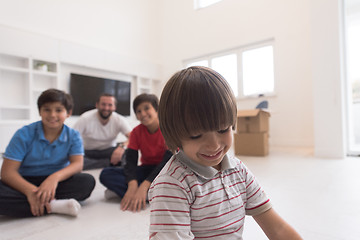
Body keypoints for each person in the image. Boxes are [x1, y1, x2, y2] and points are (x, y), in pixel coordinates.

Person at [148, 66, 302, 239]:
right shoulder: (172, 184)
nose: (214, 145)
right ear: (175, 135)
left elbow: (277, 228)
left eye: (222, 130)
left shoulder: (238, 170)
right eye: (197, 135)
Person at [0, 88, 95, 218]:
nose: (52, 115)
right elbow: (7, 173)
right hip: (25, 181)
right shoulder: (23, 134)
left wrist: (53, 179)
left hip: (57, 181)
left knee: (87, 182)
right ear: (40, 111)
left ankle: (39, 204)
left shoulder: (73, 135)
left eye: (59, 110)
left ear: (68, 113)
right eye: (47, 109)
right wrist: (30, 191)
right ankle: (54, 206)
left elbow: (77, 165)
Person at [99, 93, 172, 212]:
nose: (143, 114)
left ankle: (139, 193)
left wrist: (144, 185)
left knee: (176, 183)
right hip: (146, 169)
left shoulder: (168, 129)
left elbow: (167, 162)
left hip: (166, 171)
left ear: (157, 109)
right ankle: (149, 195)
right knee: (106, 174)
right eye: (138, 111)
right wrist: (132, 185)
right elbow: (131, 161)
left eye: (147, 108)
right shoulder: (136, 132)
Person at [73, 93, 132, 170]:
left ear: (114, 107)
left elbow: (133, 137)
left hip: (108, 150)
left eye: (110, 105)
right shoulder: (85, 118)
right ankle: (108, 163)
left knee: (127, 154)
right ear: (97, 105)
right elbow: (72, 138)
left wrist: (122, 147)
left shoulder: (120, 119)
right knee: (73, 159)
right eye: (103, 104)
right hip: (87, 151)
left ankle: (100, 163)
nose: (106, 108)